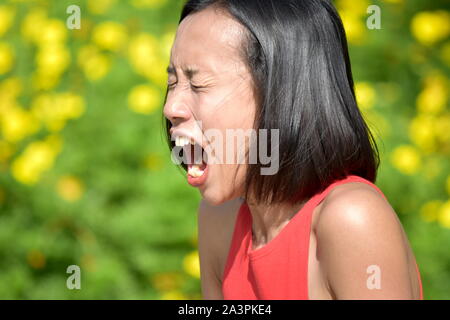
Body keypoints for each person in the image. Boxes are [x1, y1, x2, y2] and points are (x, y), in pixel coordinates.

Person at [163, 0, 424, 300]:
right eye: (172, 82)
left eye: (198, 85)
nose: (171, 107)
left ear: (279, 91)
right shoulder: (218, 219)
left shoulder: (352, 221)